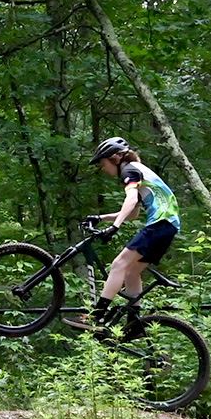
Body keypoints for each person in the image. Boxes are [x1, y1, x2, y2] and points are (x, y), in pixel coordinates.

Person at [64, 136, 180, 330]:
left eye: (103, 164)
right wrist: (101, 218)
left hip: (160, 224)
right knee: (132, 273)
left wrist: (114, 227)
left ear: (115, 158)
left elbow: (131, 200)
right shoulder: (138, 170)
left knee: (119, 264)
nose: (103, 169)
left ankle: (96, 316)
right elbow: (133, 213)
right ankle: (135, 324)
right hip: (168, 226)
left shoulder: (129, 169)